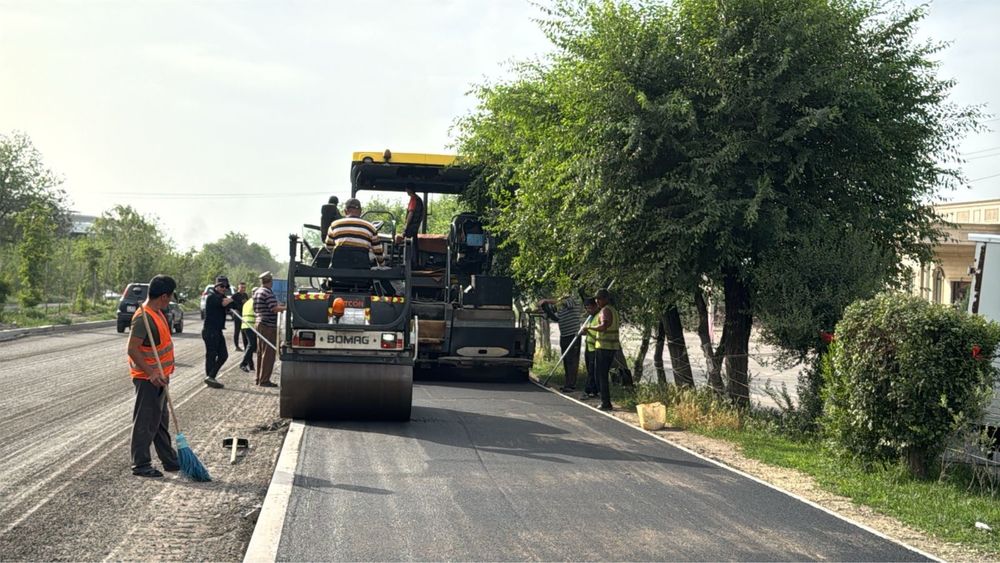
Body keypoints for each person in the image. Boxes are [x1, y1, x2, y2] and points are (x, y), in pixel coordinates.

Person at [127, 274, 180, 478]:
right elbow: (132, 349)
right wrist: (151, 373)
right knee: (146, 421)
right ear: (165, 296)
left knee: (160, 421)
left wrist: (163, 373)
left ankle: (169, 460)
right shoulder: (144, 318)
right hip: (147, 378)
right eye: (171, 296)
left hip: (161, 376)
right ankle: (140, 464)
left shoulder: (157, 313)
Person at [580, 288, 620, 411]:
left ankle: (605, 402)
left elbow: (604, 326)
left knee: (601, 376)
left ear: (606, 299)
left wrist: (589, 328)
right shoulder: (613, 310)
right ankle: (605, 401)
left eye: (600, 298)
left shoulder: (605, 311)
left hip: (604, 348)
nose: (597, 301)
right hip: (611, 347)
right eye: (597, 298)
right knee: (601, 375)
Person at [539, 294, 582, 393]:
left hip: (573, 334)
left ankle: (571, 385)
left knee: (572, 360)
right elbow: (553, 314)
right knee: (566, 360)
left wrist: (546, 300)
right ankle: (567, 382)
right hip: (564, 334)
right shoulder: (560, 305)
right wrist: (544, 309)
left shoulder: (573, 299)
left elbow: (563, 303)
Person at [324, 198, 383, 269]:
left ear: (345, 211)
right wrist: (382, 265)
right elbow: (378, 251)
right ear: (360, 211)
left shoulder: (334, 225)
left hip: (338, 273)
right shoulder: (371, 227)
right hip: (362, 273)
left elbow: (329, 247)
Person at [253, 271, 286, 387]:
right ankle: (264, 380)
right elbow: (274, 308)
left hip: (259, 323)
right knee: (268, 354)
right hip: (268, 325)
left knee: (260, 352)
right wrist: (287, 308)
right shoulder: (267, 292)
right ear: (270, 281)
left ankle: (259, 378)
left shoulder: (257, 291)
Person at [202, 275, 233, 389]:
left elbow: (231, 305)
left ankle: (211, 376)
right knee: (211, 355)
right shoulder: (212, 297)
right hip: (210, 331)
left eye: (226, 287)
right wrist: (235, 297)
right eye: (222, 286)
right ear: (216, 286)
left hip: (218, 331)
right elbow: (224, 303)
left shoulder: (223, 297)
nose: (224, 288)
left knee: (223, 355)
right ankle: (209, 377)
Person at [395, 184, 424, 266]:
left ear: (409, 190)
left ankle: (407, 262)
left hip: (411, 226)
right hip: (415, 226)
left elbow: (411, 213)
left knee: (408, 243)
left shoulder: (413, 199)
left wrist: (405, 226)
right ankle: (414, 262)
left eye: (406, 189)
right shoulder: (419, 199)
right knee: (414, 244)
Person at [581, 297, 600, 398]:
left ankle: (587, 391)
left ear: (596, 306)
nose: (588, 310)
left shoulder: (599, 316)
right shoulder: (591, 318)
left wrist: (588, 328)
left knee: (592, 370)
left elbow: (600, 329)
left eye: (590, 308)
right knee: (590, 369)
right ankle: (594, 390)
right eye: (587, 308)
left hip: (596, 347)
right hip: (589, 347)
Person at [239, 289, 257, 373]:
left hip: (244, 326)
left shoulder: (247, 302)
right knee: (252, 345)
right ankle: (243, 363)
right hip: (250, 326)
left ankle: (251, 365)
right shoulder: (255, 302)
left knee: (248, 346)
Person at [231, 282, 249, 351]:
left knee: (244, 330)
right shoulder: (235, 295)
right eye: (242, 287)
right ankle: (237, 346)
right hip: (237, 315)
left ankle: (246, 346)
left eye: (244, 287)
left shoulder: (245, 295)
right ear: (238, 288)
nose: (243, 289)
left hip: (244, 314)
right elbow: (232, 305)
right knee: (237, 330)